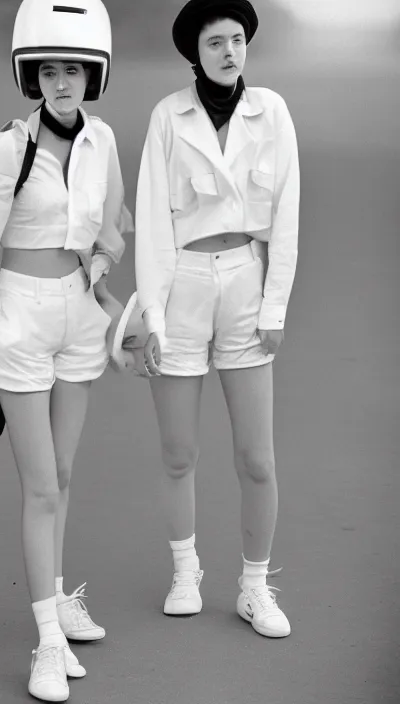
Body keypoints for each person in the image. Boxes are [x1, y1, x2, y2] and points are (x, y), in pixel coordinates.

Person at [0, 0, 132, 699]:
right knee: (41, 487)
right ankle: (48, 644)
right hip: (21, 315)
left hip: (79, 319)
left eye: (74, 71)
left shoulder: (104, 141)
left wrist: (103, 272)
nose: (62, 83)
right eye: (49, 71)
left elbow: (112, 220)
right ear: (32, 77)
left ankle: (56, 600)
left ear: (93, 76)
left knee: (61, 470)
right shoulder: (9, 146)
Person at [121, 0, 299, 639]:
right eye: (215, 42)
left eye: (237, 40)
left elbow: (286, 217)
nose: (229, 51)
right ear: (193, 52)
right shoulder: (169, 116)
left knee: (258, 458)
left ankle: (255, 586)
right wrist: (155, 315)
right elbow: (151, 223)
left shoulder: (271, 111)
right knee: (178, 453)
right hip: (182, 288)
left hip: (246, 285)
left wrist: (274, 306)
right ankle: (185, 571)